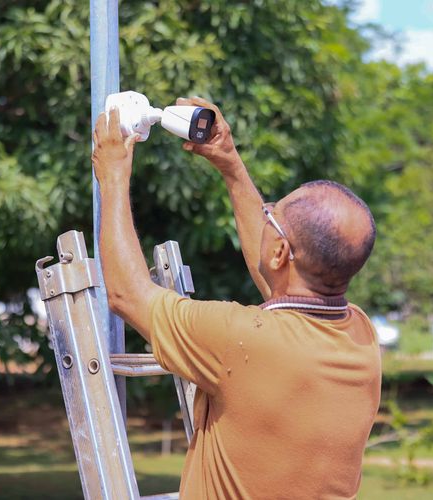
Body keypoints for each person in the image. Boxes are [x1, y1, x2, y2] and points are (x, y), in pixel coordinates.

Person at [92, 96, 381, 499]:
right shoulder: (360, 335)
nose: (264, 216)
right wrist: (230, 164)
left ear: (280, 252)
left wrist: (112, 176)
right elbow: (281, 281)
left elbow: (127, 294)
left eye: (271, 216)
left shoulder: (241, 339)